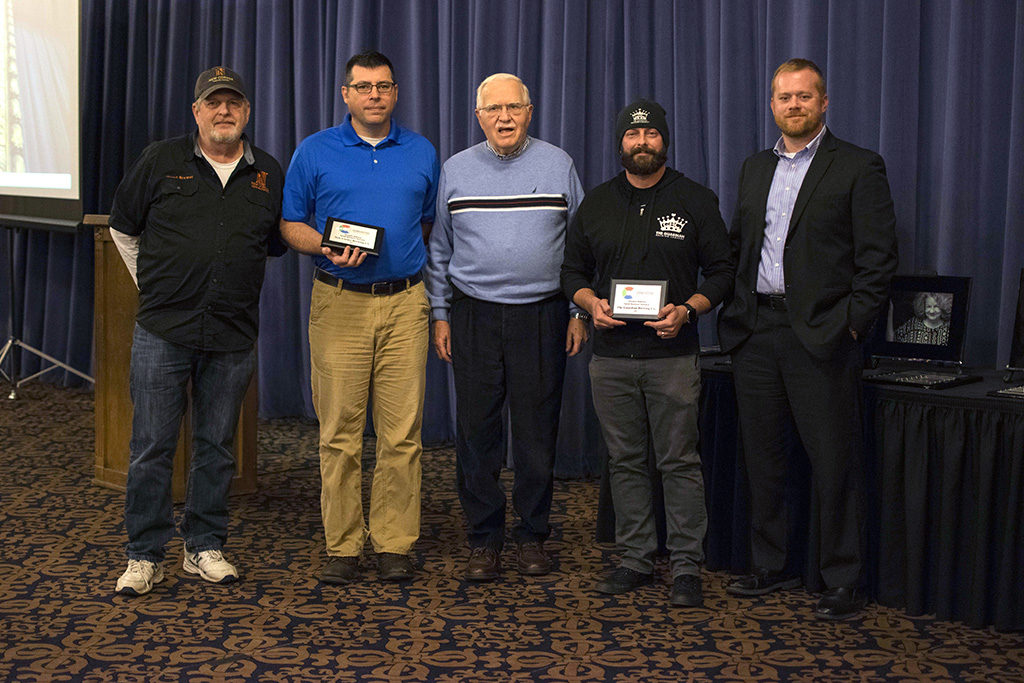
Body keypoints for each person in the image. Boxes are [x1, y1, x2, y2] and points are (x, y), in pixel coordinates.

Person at [718, 58, 899, 620]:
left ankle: (841, 577)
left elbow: (878, 259)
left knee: (833, 462)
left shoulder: (858, 166)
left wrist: (851, 323)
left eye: (803, 96)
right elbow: (739, 247)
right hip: (757, 331)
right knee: (764, 458)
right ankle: (771, 564)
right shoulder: (753, 168)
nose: (792, 105)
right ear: (772, 105)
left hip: (822, 334)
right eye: (783, 97)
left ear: (824, 103)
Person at [109, 66, 285, 595]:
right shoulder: (160, 160)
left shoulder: (268, 173)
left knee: (216, 448)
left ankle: (203, 545)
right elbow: (122, 226)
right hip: (163, 330)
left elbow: (271, 247)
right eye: (213, 103)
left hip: (232, 335)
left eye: (233, 103)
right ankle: (144, 555)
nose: (223, 111)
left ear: (247, 112)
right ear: (196, 111)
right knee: (151, 447)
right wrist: (155, 286)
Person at [561, 99, 734, 607]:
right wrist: (588, 302)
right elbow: (571, 272)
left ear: (664, 140)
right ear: (621, 144)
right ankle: (635, 558)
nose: (642, 143)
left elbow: (723, 272)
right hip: (611, 359)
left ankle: (686, 567)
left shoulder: (696, 200)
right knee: (626, 461)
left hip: (673, 357)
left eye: (651, 135)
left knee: (679, 461)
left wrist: (689, 309)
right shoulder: (596, 203)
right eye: (633, 136)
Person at [280, 51, 439, 584]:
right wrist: (326, 246)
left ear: (396, 93)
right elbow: (289, 224)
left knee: (402, 434)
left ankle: (395, 542)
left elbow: (425, 223)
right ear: (346, 94)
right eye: (363, 86)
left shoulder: (422, 151)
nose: (374, 95)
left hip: (405, 305)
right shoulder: (314, 150)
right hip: (339, 302)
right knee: (340, 433)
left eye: (384, 86)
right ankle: (343, 546)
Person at [424, 73, 587, 581]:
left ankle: (533, 537)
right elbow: (439, 250)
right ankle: (484, 540)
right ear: (479, 117)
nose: (504, 118)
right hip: (473, 315)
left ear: (530, 112)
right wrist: (441, 313)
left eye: (513, 108)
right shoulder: (455, 170)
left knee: (537, 435)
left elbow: (582, 249)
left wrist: (578, 311)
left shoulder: (559, 164)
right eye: (493, 110)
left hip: (542, 315)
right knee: (477, 434)